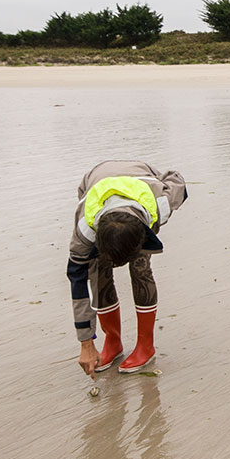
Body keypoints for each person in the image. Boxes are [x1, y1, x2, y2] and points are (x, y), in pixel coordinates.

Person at [68, 160, 187, 376]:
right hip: (96, 182)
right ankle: (113, 343)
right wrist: (86, 343)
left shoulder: (160, 203)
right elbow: (76, 280)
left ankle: (146, 346)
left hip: (140, 188)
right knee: (98, 271)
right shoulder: (85, 229)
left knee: (141, 267)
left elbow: (176, 179)